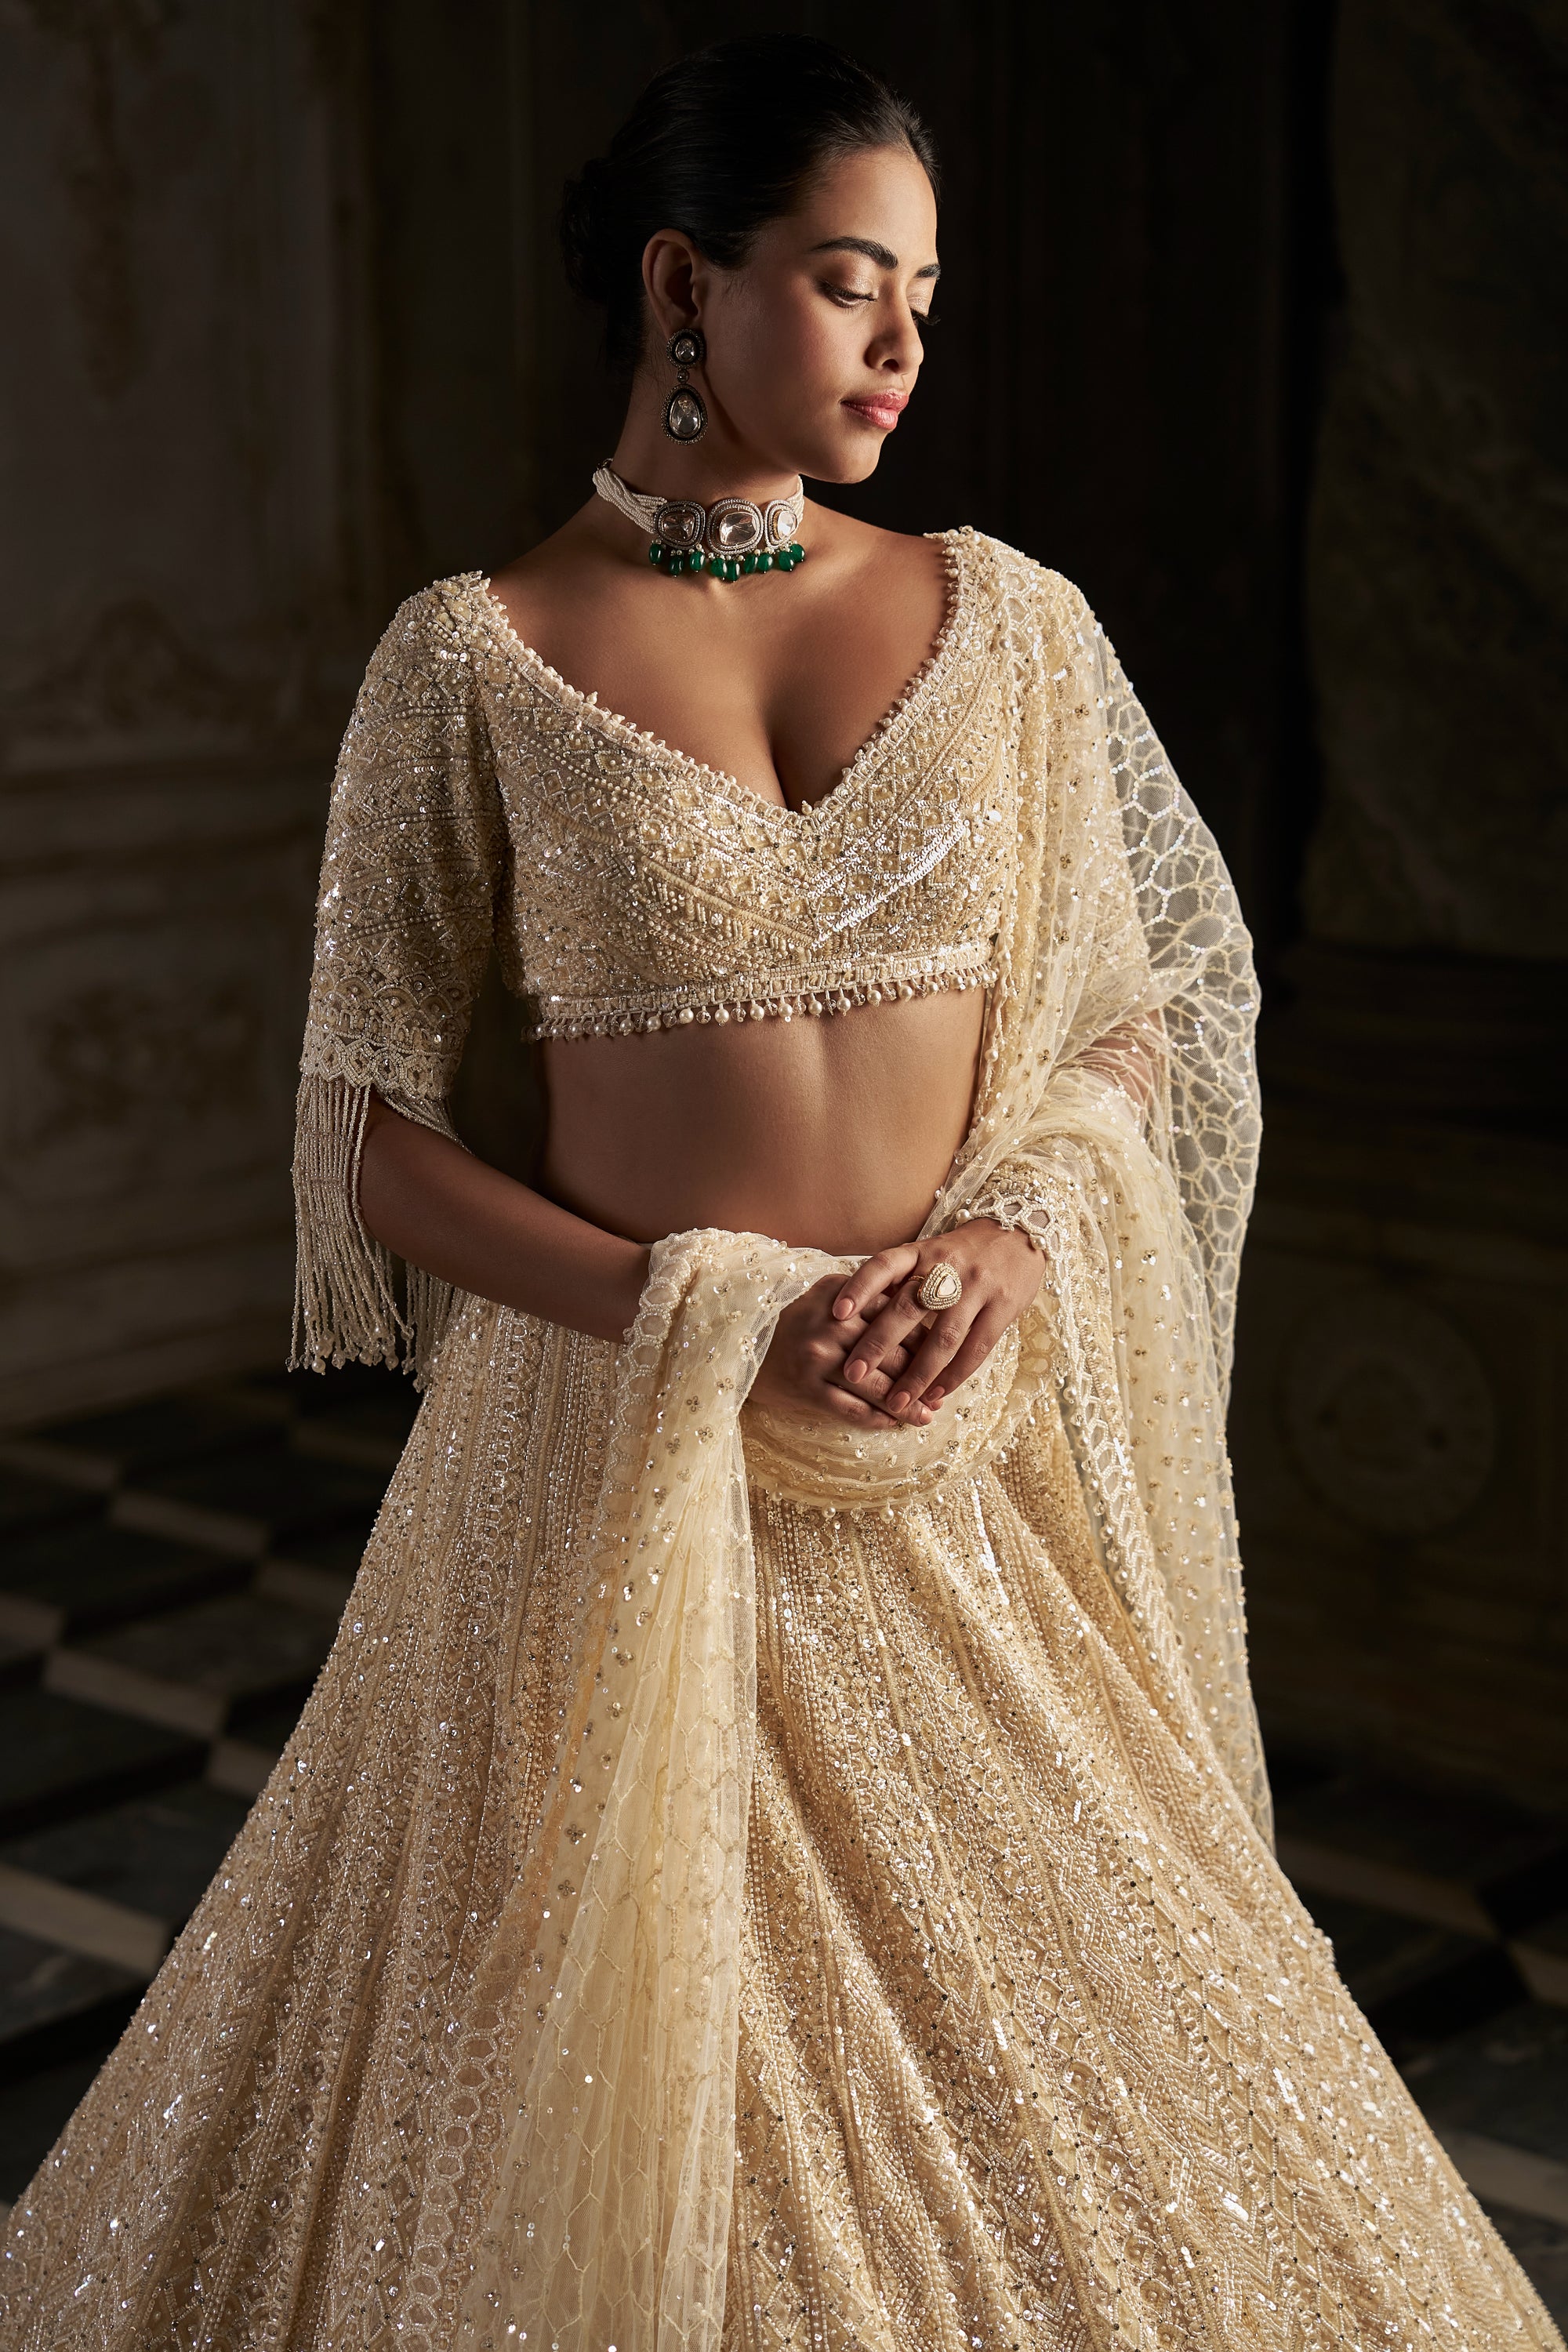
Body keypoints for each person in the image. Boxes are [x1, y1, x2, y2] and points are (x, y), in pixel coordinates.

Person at [2, 33, 1557, 2352]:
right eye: (848, 283)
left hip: (952, 1464)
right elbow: (366, 1142)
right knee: (575, 2093)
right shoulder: (474, 662)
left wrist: (1010, 1238)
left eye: (925, 294)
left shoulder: (1011, 624)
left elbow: (1139, 1013)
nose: (905, 343)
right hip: (618, 1462)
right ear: (681, 287)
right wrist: (703, 1317)